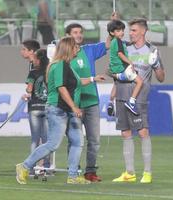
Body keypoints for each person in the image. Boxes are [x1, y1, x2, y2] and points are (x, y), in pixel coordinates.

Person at [15, 36, 105, 185]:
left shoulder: (66, 65)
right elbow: (61, 88)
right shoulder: (60, 65)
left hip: (67, 110)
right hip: (59, 109)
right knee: (53, 144)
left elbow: (77, 82)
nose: (78, 49)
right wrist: (74, 107)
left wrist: (93, 79)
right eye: (75, 47)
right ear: (68, 49)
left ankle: (73, 175)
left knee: (77, 142)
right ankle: (24, 166)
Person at [112, 18, 165, 184]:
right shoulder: (124, 48)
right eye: (130, 30)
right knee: (125, 133)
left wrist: (156, 64)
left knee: (143, 132)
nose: (130, 33)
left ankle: (147, 173)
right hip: (121, 94)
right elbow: (114, 70)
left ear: (143, 31)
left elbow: (161, 77)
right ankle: (130, 172)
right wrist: (113, 92)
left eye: (134, 30)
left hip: (139, 98)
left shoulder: (152, 50)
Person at [64, 21, 112, 182]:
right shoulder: (63, 55)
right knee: (74, 140)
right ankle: (74, 171)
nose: (78, 35)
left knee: (94, 140)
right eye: (75, 32)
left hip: (91, 102)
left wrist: (111, 25)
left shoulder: (89, 50)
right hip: (74, 103)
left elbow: (108, 43)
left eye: (80, 32)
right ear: (68, 36)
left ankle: (90, 171)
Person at [22, 49, 50, 175]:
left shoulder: (33, 72)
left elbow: (29, 89)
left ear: (38, 59)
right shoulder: (50, 71)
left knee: (35, 139)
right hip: (47, 108)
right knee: (47, 140)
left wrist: (28, 93)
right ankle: (47, 167)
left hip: (34, 108)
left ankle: (31, 168)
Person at [107, 19, 143, 115]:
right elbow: (120, 54)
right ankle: (131, 102)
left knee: (116, 85)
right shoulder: (118, 41)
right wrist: (130, 63)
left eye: (122, 30)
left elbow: (126, 43)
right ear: (112, 32)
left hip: (114, 69)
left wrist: (133, 42)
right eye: (118, 31)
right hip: (121, 69)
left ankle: (110, 103)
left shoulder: (115, 42)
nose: (121, 32)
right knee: (139, 81)